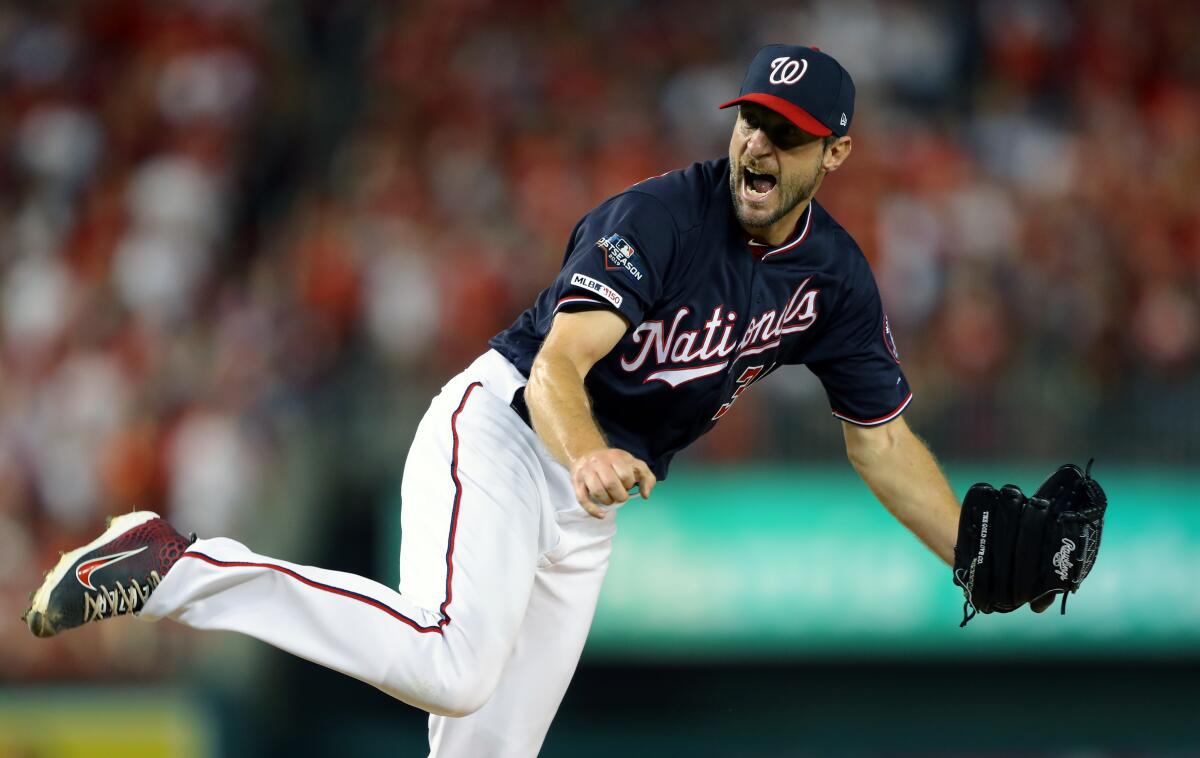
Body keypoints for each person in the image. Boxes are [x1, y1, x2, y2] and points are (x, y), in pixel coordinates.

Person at [25, 45, 962, 757]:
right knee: (453, 666)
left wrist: (971, 554)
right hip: (510, 431)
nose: (758, 141)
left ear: (834, 151)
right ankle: (178, 567)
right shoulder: (663, 215)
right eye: (751, 118)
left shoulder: (835, 279)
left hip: (589, 506)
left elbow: (880, 444)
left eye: (787, 130)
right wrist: (586, 450)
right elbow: (559, 366)